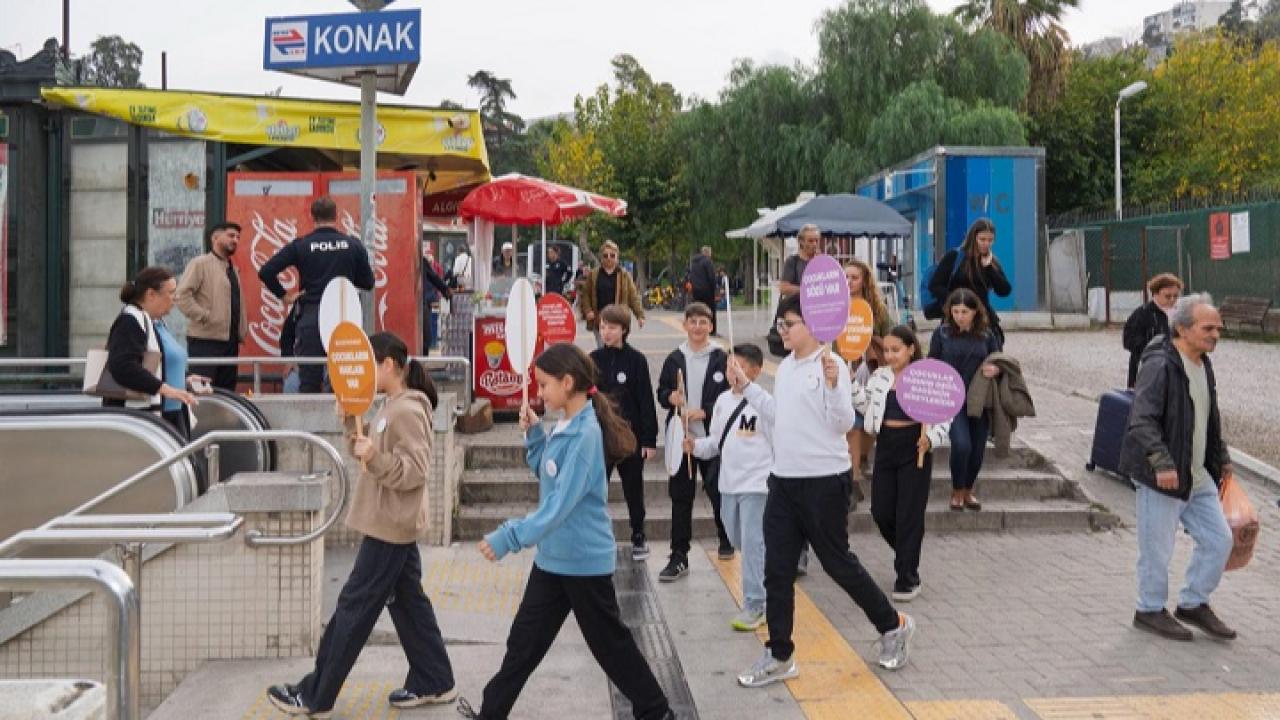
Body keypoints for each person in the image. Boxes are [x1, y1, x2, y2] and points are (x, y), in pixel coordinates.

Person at [460, 344, 673, 720]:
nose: (539, 392)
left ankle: (656, 711)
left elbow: (558, 507)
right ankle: (490, 713)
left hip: (583, 563)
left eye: (544, 385)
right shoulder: (566, 426)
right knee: (523, 645)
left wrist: (509, 537)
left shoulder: (586, 435)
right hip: (553, 560)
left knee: (611, 647)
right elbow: (548, 473)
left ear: (568, 382)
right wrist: (535, 436)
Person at [732, 293, 915, 688]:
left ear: (813, 326)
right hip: (783, 482)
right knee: (777, 570)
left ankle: (893, 625)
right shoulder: (787, 369)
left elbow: (843, 421)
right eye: (780, 324)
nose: (782, 331)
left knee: (837, 563)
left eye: (789, 324)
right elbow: (781, 417)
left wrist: (835, 385)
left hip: (824, 483)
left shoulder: (831, 367)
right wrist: (747, 388)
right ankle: (780, 653)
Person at [268, 333, 455, 716]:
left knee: (354, 608)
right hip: (390, 523)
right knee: (408, 603)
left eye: (372, 364)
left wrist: (378, 458)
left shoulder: (407, 410)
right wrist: (351, 426)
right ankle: (435, 678)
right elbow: (368, 453)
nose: (366, 372)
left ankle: (315, 694)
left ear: (388, 366)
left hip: (390, 525)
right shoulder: (391, 405)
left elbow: (416, 471)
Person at [1120, 294, 1236, 642]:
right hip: (1163, 476)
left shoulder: (1203, 363)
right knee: (1157, 549)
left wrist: (1223, 457)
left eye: (1218, 328)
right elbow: (1141, 420)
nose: (1216, 334)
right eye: (1208, 327)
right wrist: (1161, 462)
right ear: (1182, 329)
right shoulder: (1160, 364)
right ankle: (1149, 609)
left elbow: (1206, 416)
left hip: (1197, 475)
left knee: (1219, 540)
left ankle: (1193, 603)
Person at [854, 326, 950, 602]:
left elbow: (945, 416)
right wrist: (847, 385)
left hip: (915, 445)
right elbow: (866, 406)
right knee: (881, 510)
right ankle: (908, 553)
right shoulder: (879, 376)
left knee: (909, 513)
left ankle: (907, 575)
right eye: (886, 350)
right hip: (886, 445)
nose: (890, 355)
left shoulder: (926, 377)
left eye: (896, 350)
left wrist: (931, 439)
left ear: (911, 349)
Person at [684, 343, 773, 631]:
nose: (732, 372)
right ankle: (770, 577)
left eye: (740, 366)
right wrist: (694, 446)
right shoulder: (722, 401)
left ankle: (755, 604)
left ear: (756, 371)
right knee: (737, 540)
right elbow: (715, 443)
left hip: (756, 486)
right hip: (728, 485)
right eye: (729, 366)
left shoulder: (764, 403)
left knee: (751, 543)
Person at [258, 196, 375, 393]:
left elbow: (266, 271)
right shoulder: (353, 245)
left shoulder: (302, 245)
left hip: (311, 315)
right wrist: (344, 279)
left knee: (309, 380)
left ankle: (308, 423)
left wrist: (285, 296)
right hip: (343, 316)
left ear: (312, 216)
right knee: (343, 379)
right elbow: (368, 282)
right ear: (336, 215)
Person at [656, 302, 733, 580]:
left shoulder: (721, 358)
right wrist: (671, 398)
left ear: (711, 326)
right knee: (680, 497)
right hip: (682, 438)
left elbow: (731, 393)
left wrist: (706, 411)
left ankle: (726, 537)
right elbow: (662, 391)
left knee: (717, 490)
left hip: (711, 438)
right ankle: (679, 555)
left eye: (703, 322)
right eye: (693, 322)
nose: (698, 327)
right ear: (685, 325)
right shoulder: (675, 358)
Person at [591, 304, 659, 561]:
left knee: (633, 488)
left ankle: (638, 535)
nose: (606, 332)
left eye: (612, 327)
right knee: (597, 489)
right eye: (603, 327)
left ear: (624, 330)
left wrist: (649, 440)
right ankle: (596, 535)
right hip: (601, 437)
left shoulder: (637, 361)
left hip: (630, 437)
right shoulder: (593, 360)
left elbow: (646, 402)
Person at [105, 266, 205, 438]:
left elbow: (160, 363)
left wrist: (185, 377)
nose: (176, 298)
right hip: (147, 419)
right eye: (171, 292)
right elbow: (123, 366)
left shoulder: (155, 322)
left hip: (171, 412)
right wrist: (166, 389)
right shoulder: (130, 321)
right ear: (151, 294)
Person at [929, 289, 1002, 512]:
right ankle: (957, 490)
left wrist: (996, 369)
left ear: (974, 312)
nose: (960, 316)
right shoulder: (942, 334)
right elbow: (931, 363)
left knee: (978, 448)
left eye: (965, 311)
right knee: (962, 445)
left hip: (979, 399)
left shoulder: (987, 336)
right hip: (952, 399)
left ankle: (969, 490)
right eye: (956, 311)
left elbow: (1000, 360)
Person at [843, 258, 895, 489]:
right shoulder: (834, 307)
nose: (849, 281)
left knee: (870, 419)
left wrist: (872, 339)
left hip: (872, 370)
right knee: (851, 421)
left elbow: (894, 338)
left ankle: (861, 458)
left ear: (864, 281)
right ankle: (853, 471)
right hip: (843, 369)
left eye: (854, 277)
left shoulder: (877, 308)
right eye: (845, 277)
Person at [177, 222, 246, 391]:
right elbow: (181, 295)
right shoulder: (200, 263)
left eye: (238, 237)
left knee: (227, 394)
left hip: (230, 342)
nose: (235, 240)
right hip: (205, 341)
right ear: (215, 238)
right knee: (202, 392)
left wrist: (242, 330)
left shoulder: (232, 269)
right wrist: (204, 316)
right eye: (230, 235)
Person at [928, 218, 1012, 348]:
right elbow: (935, 285)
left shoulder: (991, 262)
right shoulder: (955, 257)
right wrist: (957, 301)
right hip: (956, 319)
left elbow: (1004, 290)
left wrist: (989, 268)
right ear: (974, 238)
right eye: (982, 239)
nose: (986, 244)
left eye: (990, 240)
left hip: (983, 320)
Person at [768, 224, 822, 355]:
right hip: (797, 315)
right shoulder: (793, 261)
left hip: (816, 316)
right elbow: (784, 287)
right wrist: (806, 290)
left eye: (816, 240)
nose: (814, 244)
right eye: (810, 240)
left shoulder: (821, 262)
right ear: (801, 242)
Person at [580, 241, 645, 348]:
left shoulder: (624, 275)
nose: (609, 258)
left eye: (612, 255)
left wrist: (640, 315)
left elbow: (633, 297)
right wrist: (588, 311)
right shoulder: (594, 274)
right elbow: (586, 294)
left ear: (617, 257)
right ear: (601, 257)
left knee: (617, 348)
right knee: (602, 348)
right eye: (605, 256)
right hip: (599, 320)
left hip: (618, 319)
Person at [1123, 273, 1182, 389]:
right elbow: (1128, 341)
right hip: (1147, 369)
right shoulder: (1142, 314)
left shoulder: (1180, 315)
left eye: (1175, 296)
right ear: (1155, 294)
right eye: (1168, 296)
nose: (1172, 299)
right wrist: (1154, 350)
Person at [422, 246, 451, 355]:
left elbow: (435, 278)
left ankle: (423, 361)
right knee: (426, 334)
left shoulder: (422, 262)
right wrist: (445, 290)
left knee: (426, 336)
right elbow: (435, 278)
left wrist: (445, 290)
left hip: (425, 301)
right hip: (423, 301)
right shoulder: (423, 262)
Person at [689, 246, 719, 335]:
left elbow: (691, 276)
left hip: (696, 291)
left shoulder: (693, 263)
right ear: (707, 253)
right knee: (710, 311)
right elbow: (711, 277)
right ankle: (711, 330)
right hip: (707, 291)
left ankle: (697, 330)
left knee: (697, 311)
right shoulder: (707, 261)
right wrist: (714, 289)